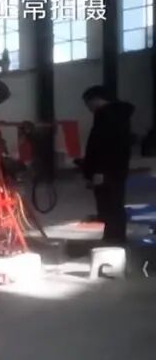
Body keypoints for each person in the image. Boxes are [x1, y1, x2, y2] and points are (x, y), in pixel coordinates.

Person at [79, 85, 134, 244]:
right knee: (112, 204)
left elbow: (105, 147)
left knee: (110, 204)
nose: (88, 108)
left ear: (96, 99)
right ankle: (113, 236)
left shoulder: (108, 117)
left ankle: (114, 238)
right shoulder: (114, 115)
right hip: (114, 170)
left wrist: (98, 171)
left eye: (88, 103)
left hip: (107, 171)